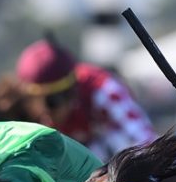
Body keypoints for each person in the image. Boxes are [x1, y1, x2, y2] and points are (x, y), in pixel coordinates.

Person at [15, 34, 156, 161]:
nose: (43, 113)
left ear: (71, 93)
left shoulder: (102, 89)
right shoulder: (12, 109)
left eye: (51, 102)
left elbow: (146, 143)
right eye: (32, 101)